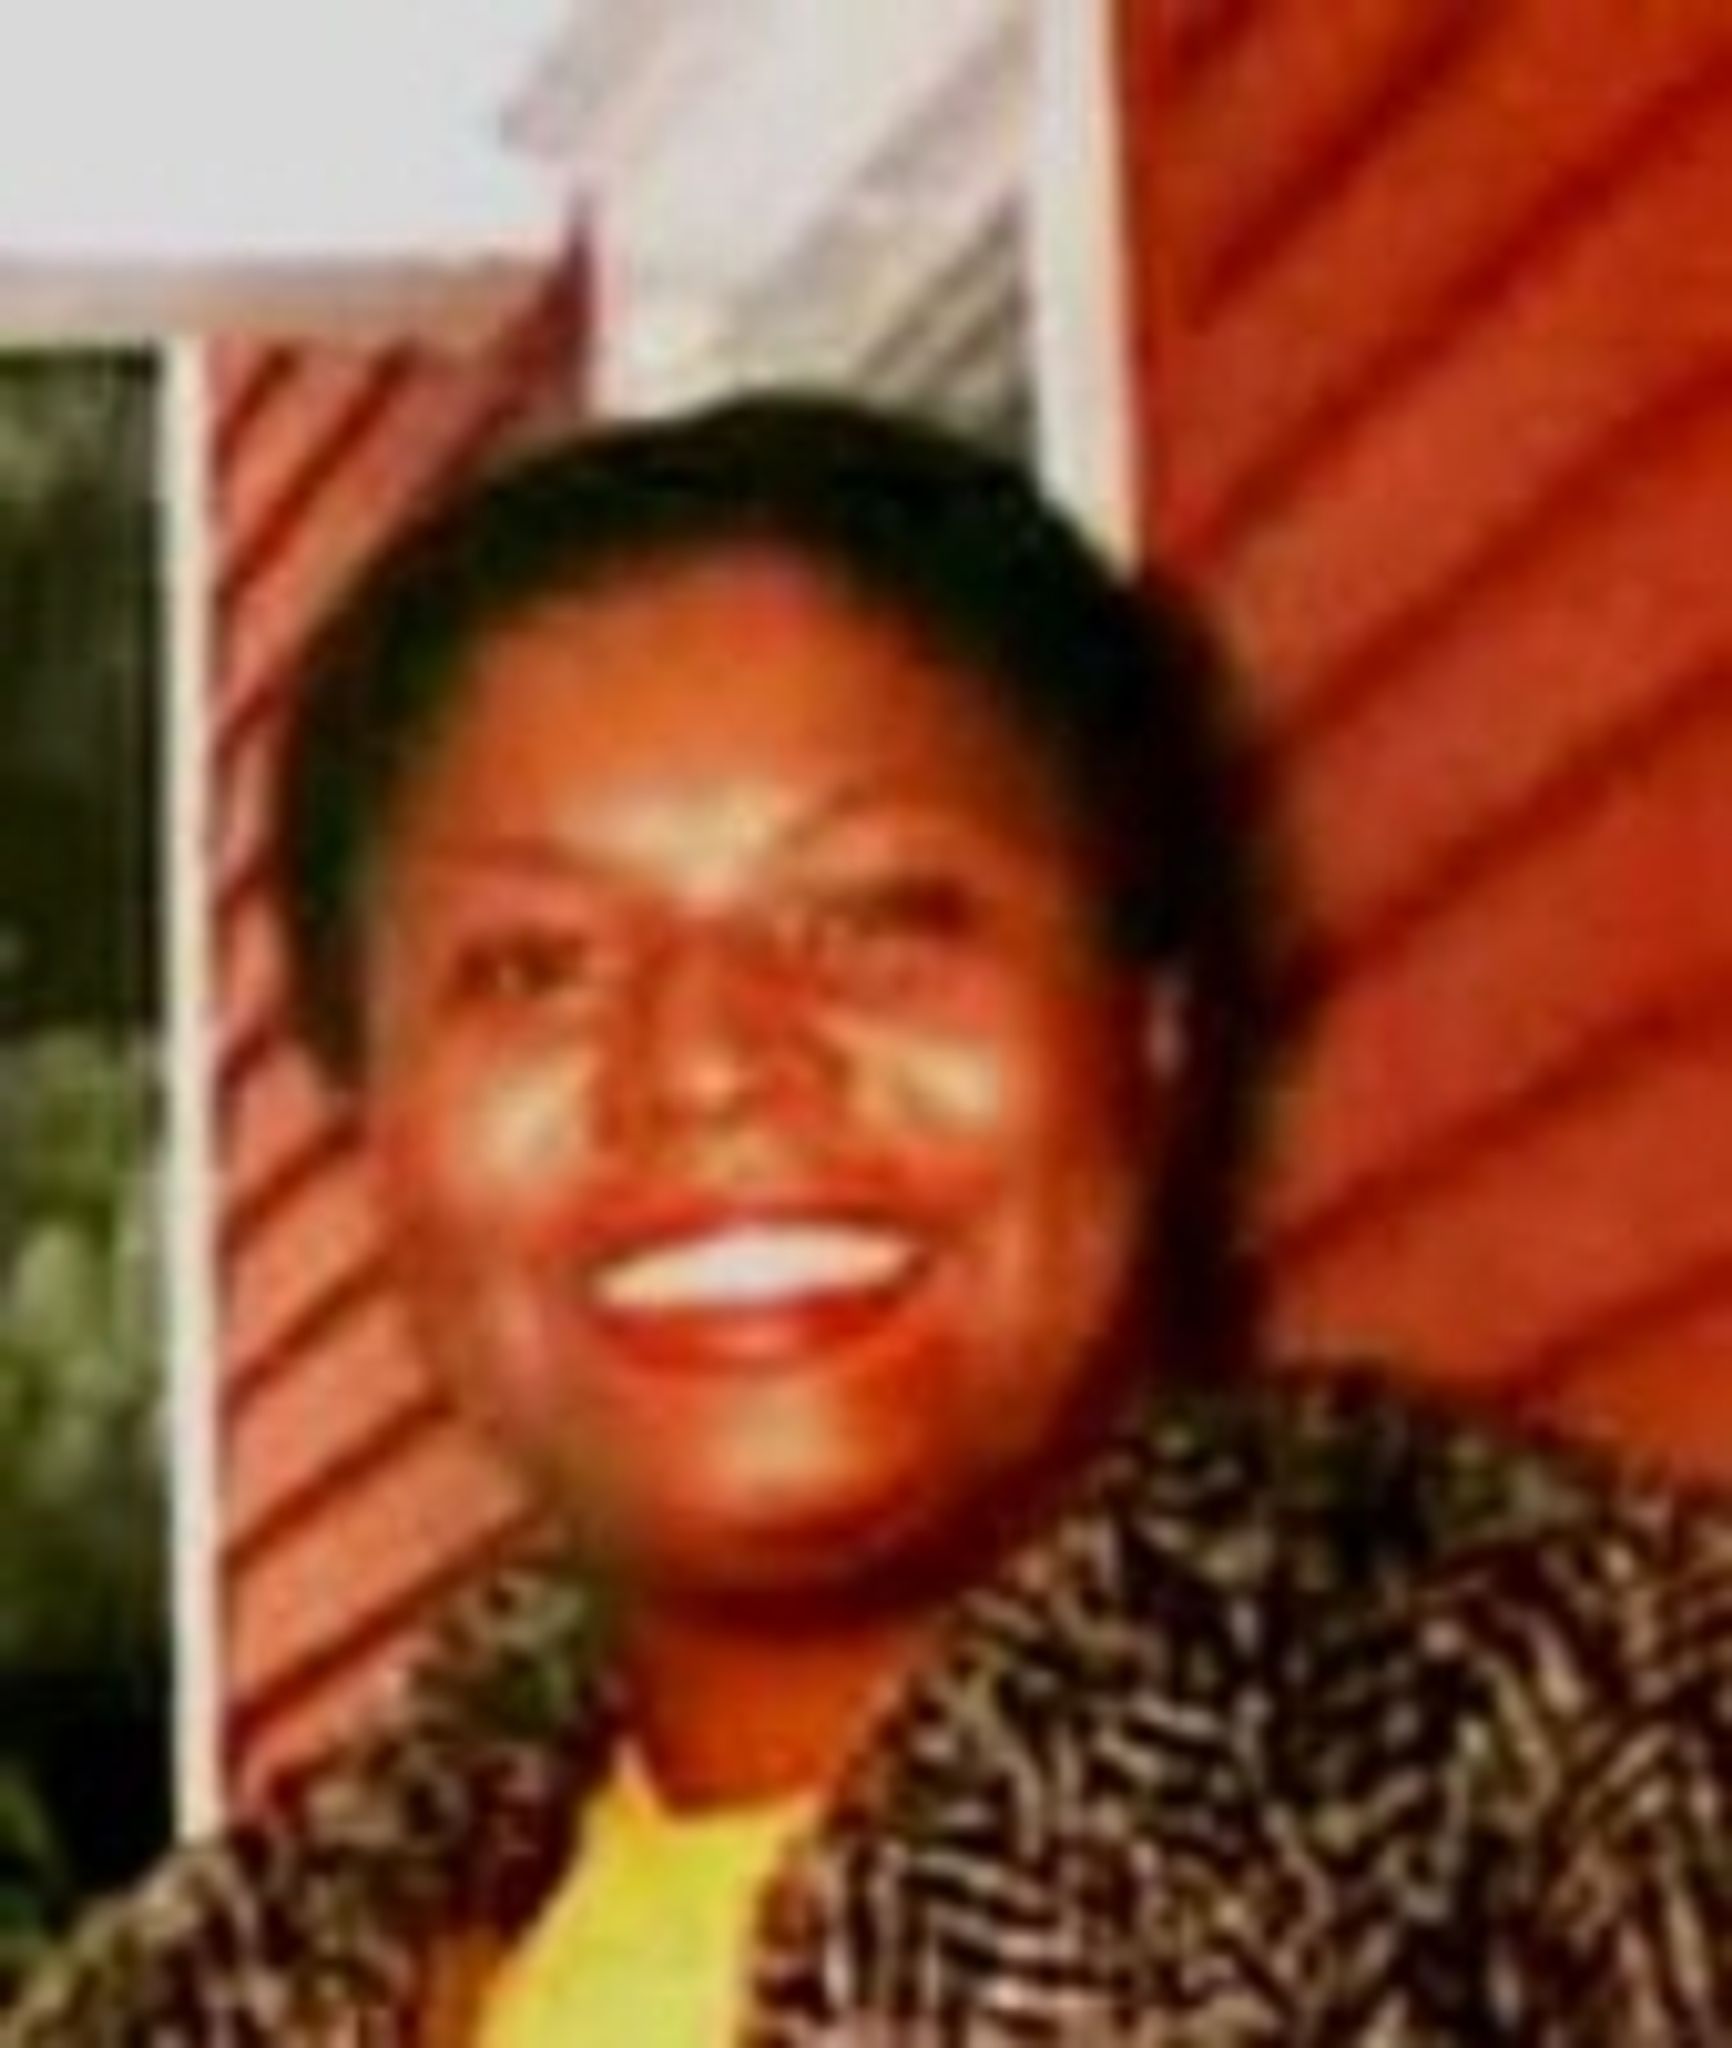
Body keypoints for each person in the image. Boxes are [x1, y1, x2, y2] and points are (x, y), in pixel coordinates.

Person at [8, 395, 1730, 2044]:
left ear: (1148, 1030)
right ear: (371, 1126)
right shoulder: (183, 1999)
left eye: (881, 918)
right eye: (533, 967)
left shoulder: (1601, 1770)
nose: (707, 1063)